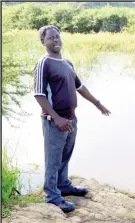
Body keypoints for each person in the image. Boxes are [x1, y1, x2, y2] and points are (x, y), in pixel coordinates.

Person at [33, 25, 111, 213]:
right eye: (51, 38)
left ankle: (64, 185)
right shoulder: (44, 63)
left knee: (65, 156)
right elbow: (39, 95)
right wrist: (57, 118)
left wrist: (97, 103)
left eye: (57, 36)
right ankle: (52, 196)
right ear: (43, 41)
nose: (56, 40)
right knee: (53, 159)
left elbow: (80, 87)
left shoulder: (67, 63)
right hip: (54, 122)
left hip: (71, 119)